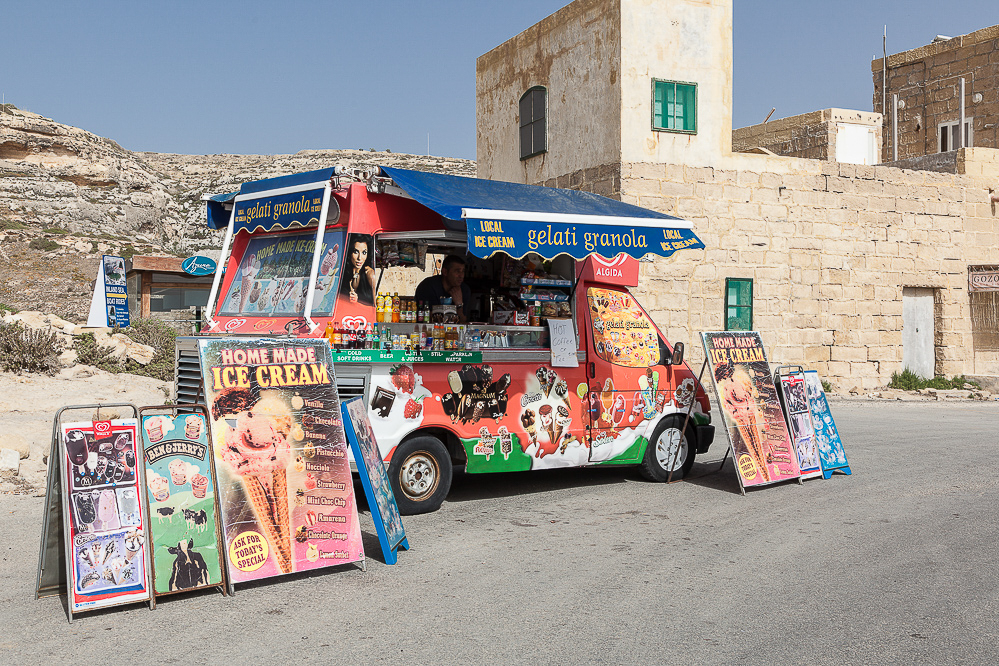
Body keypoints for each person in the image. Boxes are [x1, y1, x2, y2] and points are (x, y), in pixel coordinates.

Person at [416, 254, 471, 322]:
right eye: (457, 271)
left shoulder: (464, 290)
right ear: (445, 272)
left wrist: (459, 305)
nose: (461, 275)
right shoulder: (428, 286)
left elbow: (463, 321)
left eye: (463, 271)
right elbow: (428, 318)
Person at [338, 234, 376, 306]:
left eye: (364, 252)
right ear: (350, 252)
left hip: (363, 316)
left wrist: (357, 302)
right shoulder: (344, 272)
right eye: (356, 252)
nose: (359, 258)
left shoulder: (370, 275)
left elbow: (375, 309)